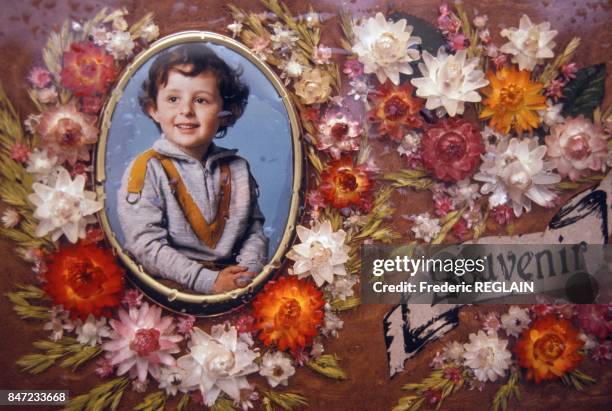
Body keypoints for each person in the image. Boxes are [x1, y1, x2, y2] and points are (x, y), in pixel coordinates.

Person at [117, 43, 269, 295]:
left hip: (231, 284)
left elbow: (254, 232)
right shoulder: (146, 169)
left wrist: (246, 272)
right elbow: (145, 245)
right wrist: (207, 281)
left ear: (225, 113)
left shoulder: (238, 169)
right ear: (154, 109)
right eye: (173, 99)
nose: (185, 111)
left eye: (200, 100)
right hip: (170, 288)